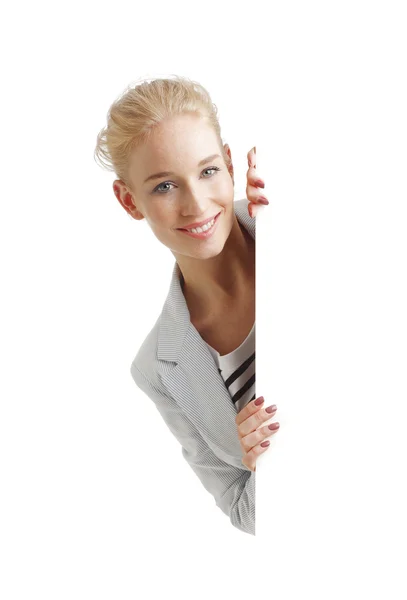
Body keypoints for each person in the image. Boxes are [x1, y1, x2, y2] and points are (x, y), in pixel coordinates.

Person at [94, 76, 280, 535]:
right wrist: (268, 470)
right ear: (128, 200)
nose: (196, 205)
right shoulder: (157, 370)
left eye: (208, 171)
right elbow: (244, 513)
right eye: (163, 187)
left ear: (231, 163)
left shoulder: (293, 229)